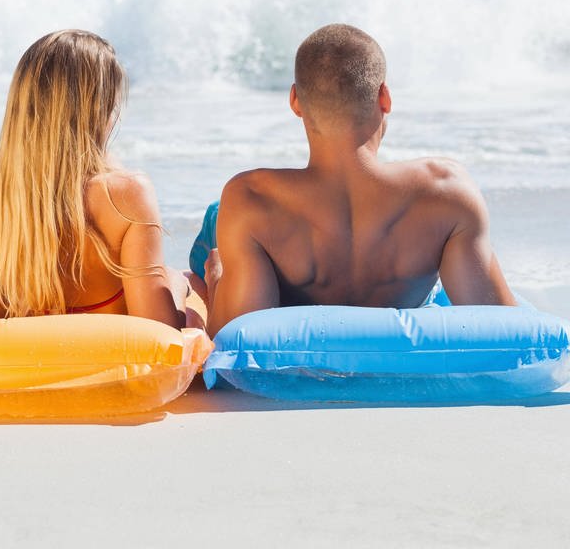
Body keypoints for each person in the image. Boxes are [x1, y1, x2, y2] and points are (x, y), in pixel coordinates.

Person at [204, 23, 515, 337]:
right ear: (385, 97)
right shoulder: (447, 192)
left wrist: (216, 284)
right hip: (406, 372)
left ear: (295, 101)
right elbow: (507, 336)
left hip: (305, 376)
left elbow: (233, 343)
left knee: (210, 241)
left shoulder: (251, 200)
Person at [0, 29, 189, 328]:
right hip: (98, 358)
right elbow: (161, 332)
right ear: (100, 113)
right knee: (185, 286)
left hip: (10, 354)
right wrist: (178, 290)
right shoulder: (128, 195)